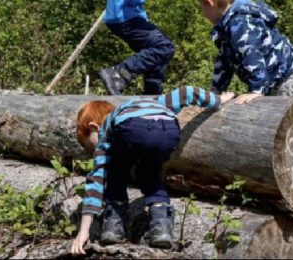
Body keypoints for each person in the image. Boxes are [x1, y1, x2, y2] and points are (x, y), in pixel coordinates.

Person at [70, 86, 234, 255]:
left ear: (94, 127)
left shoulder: (106, 129)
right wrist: (218, 100)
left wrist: (83, 232)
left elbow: (96, 182)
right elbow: (186, 92)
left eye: (90, 147)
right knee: (148, 172)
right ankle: (161, 225)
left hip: (131, 129)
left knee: (113, 170)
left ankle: (114, 222)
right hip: (168, 131)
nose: (93, 152)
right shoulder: (154, 102)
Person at [196, 0, 293, 103]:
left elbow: (252, 55)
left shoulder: (240, 24)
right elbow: (225, 61)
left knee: (281, 116)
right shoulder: (225, 28)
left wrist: (256, 90)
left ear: (209, 3)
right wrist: (216, 90)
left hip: (287, 77)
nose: (202, 13)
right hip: (271, 78)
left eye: (201, 7)